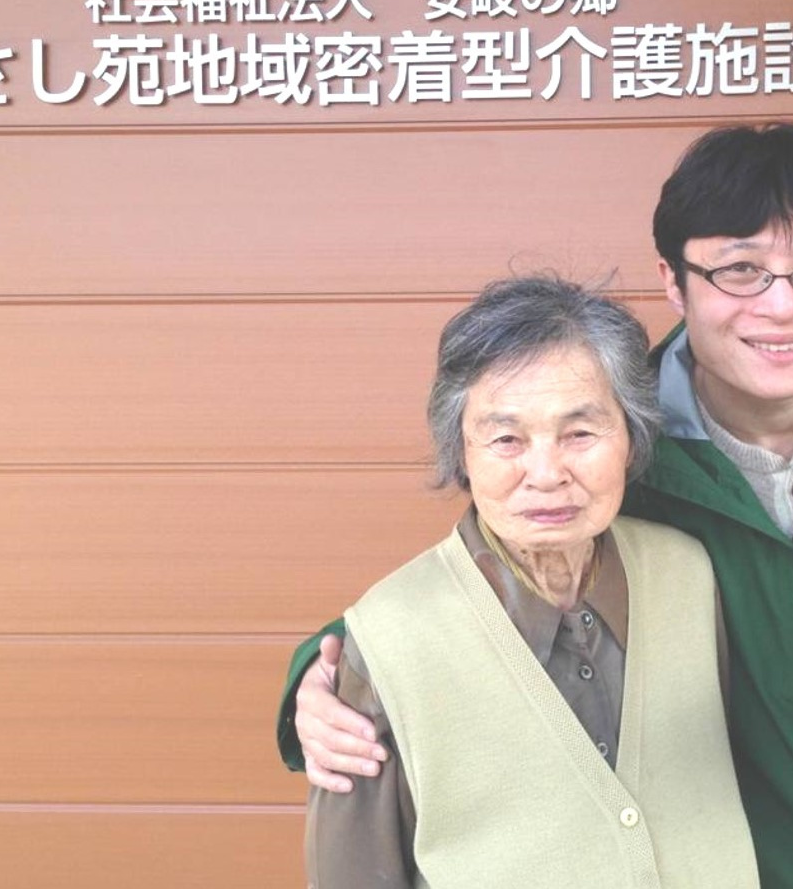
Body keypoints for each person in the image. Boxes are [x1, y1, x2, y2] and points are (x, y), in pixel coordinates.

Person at [284, 124, 793, 888]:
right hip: (763, 864)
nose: (782, 305)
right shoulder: (624, 435)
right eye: (739, 270)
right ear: (674, 281)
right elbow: (496, 564)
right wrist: (325, 680)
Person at [304, 275, 759, 889]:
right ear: (461, 453)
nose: (546, 474)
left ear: (631, 438)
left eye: (580, 433)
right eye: (506, 439)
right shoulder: (390, 638)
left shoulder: (688, 573)